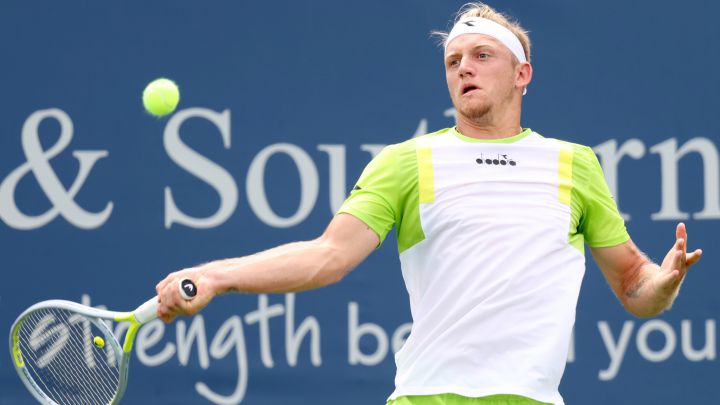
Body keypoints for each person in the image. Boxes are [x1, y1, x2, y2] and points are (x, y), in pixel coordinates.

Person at [155, 3, 703, 404]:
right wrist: (217, 274)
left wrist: (665, 280)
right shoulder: (406, 162)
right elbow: (328, 257)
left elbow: (634, 285)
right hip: (428, 398)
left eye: (481, 55)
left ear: (521, 74)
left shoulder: (574, 164)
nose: (463, 67)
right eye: (453, 60)